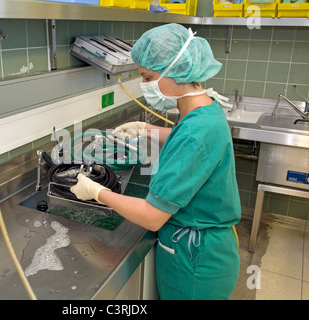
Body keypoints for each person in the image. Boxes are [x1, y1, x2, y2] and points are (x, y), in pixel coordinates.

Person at [70, 23, 241, 300]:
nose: (145, 86)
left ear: (176, 71)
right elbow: (186, 138)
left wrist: (97, 192)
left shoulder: (197, 131)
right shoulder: (204, 109)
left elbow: (151, 217)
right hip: (205, 246)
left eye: (148, 77)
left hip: (194, 260)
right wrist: (145, 129)